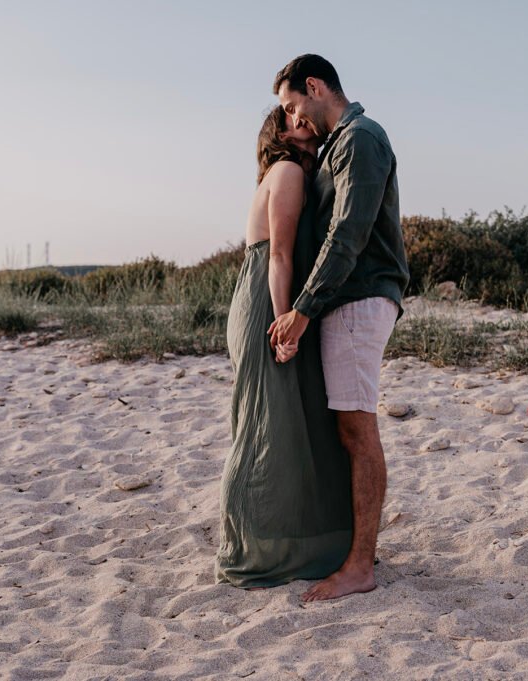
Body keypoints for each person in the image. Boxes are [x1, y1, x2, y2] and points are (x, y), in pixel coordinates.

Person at [268, 54, 410, 602]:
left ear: (314, 85)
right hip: (346, 300)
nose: (294, 118)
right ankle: (355, 551)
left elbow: (349, 233)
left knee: (357, 431)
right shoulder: (336, 147)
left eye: (292, 106)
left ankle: (360, 567)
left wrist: (302, 308)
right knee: (348, 429)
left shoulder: (361, 139)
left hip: (358, 297)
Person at [214, 105, 353, 589]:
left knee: (282, 424)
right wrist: (282, 326)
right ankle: (253, 545)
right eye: (292, 118)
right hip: (268, 304)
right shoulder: (289, 170)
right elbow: (278, 255)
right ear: (280, 133)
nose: (304, 121)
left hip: (267, 300)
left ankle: (293, 541)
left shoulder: (291, 171)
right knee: (266, 427)